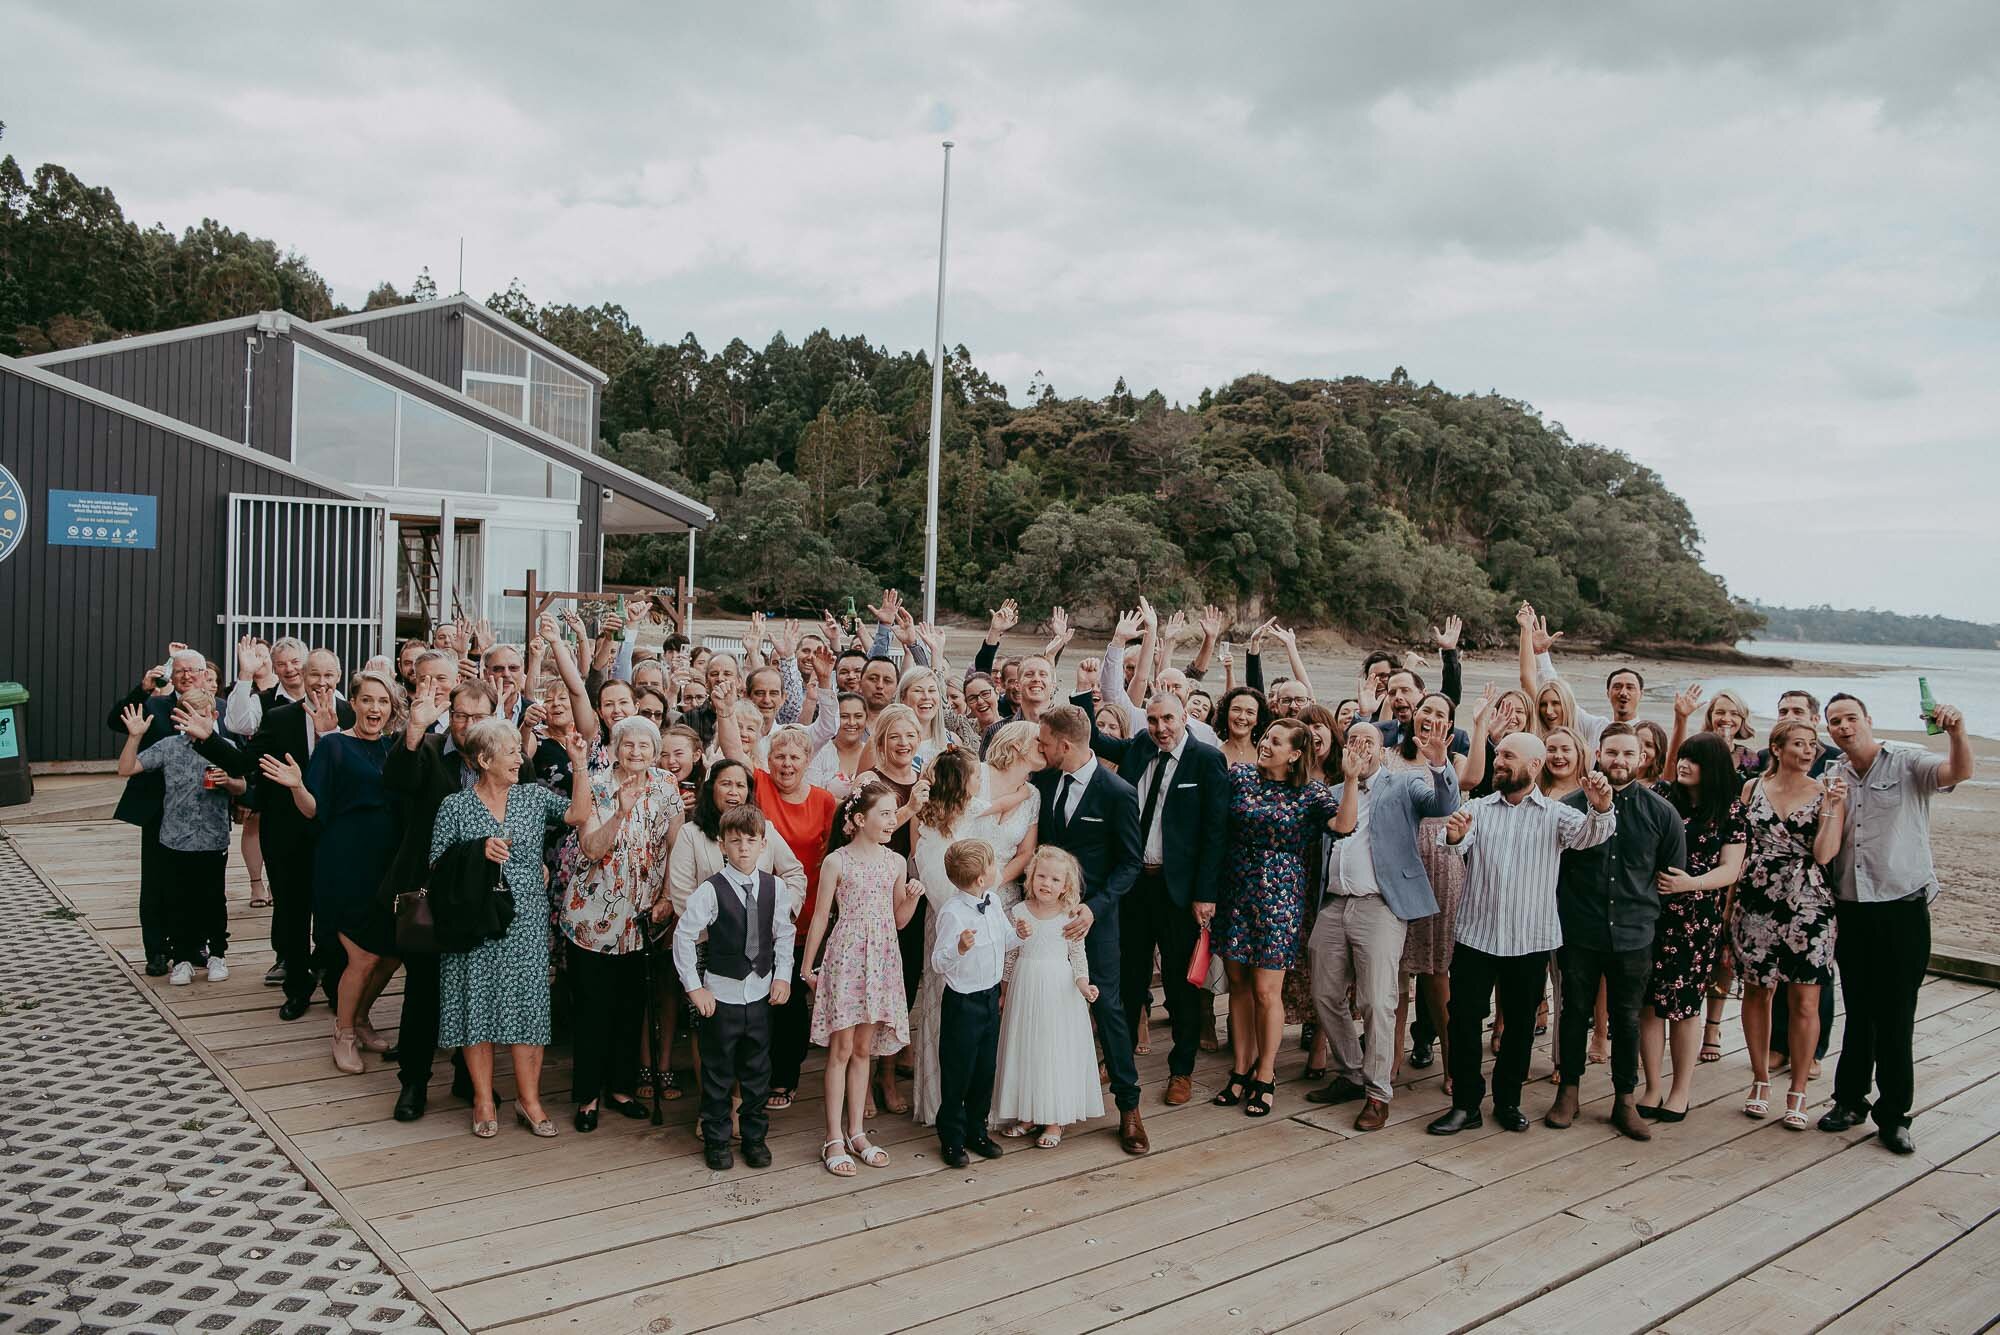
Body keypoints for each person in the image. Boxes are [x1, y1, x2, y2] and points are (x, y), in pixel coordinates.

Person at [1427, 734, 1615, 1136]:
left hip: (1530, 939)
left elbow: (1590, 835)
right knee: (1463, 1020)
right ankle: (1465, 1105)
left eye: (1508, 757)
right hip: (1476, 936)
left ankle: (1508, 1101)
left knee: (1519, 1024)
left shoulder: (1554, 813)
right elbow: (1453, 846)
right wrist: (1455, 836)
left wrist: (1601, 808)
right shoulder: (1476, 807)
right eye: (1499, 755)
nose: (1499, 762)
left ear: (1534, 766)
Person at [1817, 692, 1972, 1155]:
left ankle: (1894, 1115)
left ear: (1867, 719)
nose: (1842, 727)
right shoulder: (1834, 774)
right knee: (1858, 1008)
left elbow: (1957, 772)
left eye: (1849, 718)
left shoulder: (1906, 762)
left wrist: (1957, 732)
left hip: (1902, 907)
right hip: (1852, 906)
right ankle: (1849, 1101)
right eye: (1834, 722)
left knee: (1897, 1013)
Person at [429, 718, 594, 1138]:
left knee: (528, 1009)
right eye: (510, 752)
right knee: (476, 1004)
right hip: (474, 919)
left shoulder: (533, 797)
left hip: (525, 920)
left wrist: (579, 764)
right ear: (484, 759)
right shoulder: (455, 806)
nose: (520, 758)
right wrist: (477, 851)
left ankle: (529, 1099)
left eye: (518, 752)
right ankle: (484, 1099)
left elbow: (578, 813)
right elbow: (436, 867)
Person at [1305, 718, 1459, 1132]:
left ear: (1382, 749)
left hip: (1380, 905)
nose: (1359, 745)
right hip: (1334, 904)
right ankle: (1352, 1072)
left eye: (1367, 740)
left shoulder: (1403, 785)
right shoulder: (1334, 793)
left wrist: (1441, 764)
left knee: (1377, 1001)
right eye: (1352, 739)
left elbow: (1443, 807)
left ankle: (1377, 1094)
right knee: (1323, 993)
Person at [1084, 688, 1229, 1107]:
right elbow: (1092, 737)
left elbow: (1214, 832)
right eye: (1153, 720)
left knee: (1181, 986)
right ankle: (1118, 1054)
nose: (1160, 729)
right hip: (1133, 885)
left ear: (1185, 716)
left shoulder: (1206, 759)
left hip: (1179, 890)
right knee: (1128, 977)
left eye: (1168, 719)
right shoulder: (1139, 748)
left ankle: (1181, 1069)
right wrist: (1084, 694)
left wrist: (1205, 894)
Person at [1546, 725, 1688, 1141]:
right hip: (1580, 930)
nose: (1619, 761)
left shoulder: (1661, 813)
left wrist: (1644, 916)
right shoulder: (1571, 807)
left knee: (1627, 1020)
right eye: (1612, 753)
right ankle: (1568, 1092)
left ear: (1642, 757)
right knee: (1574, 1013)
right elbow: (1555, 871)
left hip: (1633, 934)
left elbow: (1668, 875)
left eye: (1629, 753)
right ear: (1597, 754)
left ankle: (1625, 1100)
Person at [261, 671, 405, 1074]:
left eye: (383, 702)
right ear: (353, 703)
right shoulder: (334, 747)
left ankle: (360, 1018)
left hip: (386, 866)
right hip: (344, 863)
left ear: (391, 709)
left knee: (392, 954)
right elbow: (313, 808)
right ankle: (341, 1033)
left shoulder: (396, 749)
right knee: (362, 956)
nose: (375, 708)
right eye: (367, 700)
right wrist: (295, 785)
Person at [1029, 704, 1149, 1155]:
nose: (1041, 750)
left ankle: (1129, 1108)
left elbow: (1130, 862)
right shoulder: (1045, 780)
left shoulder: (1117, 791)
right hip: (1043, 919)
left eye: (1045, 743)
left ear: (1065, 744)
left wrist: (1094, 909)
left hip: (1092, 922)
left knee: (1109, 1010)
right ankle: (1042, 1102)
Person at [1212, 717, 1342, 1119]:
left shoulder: (1312, 793)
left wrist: (1351, 780)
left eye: (1277, 741)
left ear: (1296, 753)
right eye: (1266, 737)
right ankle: (1239, 1068)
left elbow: (1344, 826)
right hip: (1235, 892)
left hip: (1280, 898)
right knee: (1238, 985)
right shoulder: (1240, 777)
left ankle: (1265, 1073)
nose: (1266, 744)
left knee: (1268, 990)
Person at [801, 782, 923, 1178]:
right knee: (840, 1049)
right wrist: (808, 966)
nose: (892, 821)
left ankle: (857, 1131)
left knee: (863, 1049)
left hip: (882, 960)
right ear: (858, 820)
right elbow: (821, 917)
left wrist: (912, 898)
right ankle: (833, 1136)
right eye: (885, 814)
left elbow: (899, 921)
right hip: (847, 958)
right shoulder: (838, 861)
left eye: (894, 813)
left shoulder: (896, 862)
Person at [566, 715, 678, 1132]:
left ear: (655, 750)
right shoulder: (595, 785)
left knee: (631, 1007)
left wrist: (667, 896)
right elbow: (591, 848)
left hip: (642, 918)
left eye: (644, 746)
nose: (636, 752)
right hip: (592, 919)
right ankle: (588, 1096)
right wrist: (620, 814)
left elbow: (675, 846)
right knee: (594, 1008)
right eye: (627, 744)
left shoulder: (666, 786)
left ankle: (621, 1088)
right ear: (615, 747)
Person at [1732, 717, 1843, 1130]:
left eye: (1813, 744)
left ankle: (1798, 1090)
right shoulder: (1751, 788)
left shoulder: (1825, 793)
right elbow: (1740, 849)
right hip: (1756, 897)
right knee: (1758, 991)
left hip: (1809, 901)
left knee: (1805, 1000)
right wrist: (1730, 909)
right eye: (1799, 743)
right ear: (1777, 749)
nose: (1809, 750)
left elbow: (1826, 854)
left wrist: (1832, 808)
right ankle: (1760, 1079)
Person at [910, 747, 1029, 1125]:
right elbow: (938, 887)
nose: (982, 780)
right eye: (976, 776)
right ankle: (942, 1108)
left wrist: (1025, 794)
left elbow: (1000, 802)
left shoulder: (974, 806)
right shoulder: (930, 832)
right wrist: (967, 913)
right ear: (961, 786)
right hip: (951, 922)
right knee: (947, 1019)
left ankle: (975, 1114)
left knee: (979, 1027)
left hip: (981, 910)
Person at [674, 804, 796, 1171]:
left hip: (758, 996)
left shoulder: (775, 887)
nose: (743, 847)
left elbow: (785, 934)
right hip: (721, 999)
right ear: (723, 845)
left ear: (763, 844)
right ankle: (716, 1138)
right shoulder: (711, 890)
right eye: (735, 840)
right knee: (717, 1073)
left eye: (751, 840)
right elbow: (683, 937)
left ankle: (755, 1138)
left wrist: (782, 975)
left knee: (758, 1073)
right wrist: (695, 988)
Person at [1637, 731, 1745, 1123]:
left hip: (1696, 921)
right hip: (1652, 913)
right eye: (1682, 757)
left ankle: (1680, 1089)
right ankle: (1651, 1085)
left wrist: (1691, 884)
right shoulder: (1664, 796)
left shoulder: (1729, 810)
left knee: (1683, 1008)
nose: (1684, 764)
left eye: (1694, 760)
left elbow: (1731, 869)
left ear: (1712, 767)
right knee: (1647, 1005)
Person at [116, 690, 243, 985]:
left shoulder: (225, 747)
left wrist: (230, 782)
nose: (193, 721)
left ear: (214, 716)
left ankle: (217, 955)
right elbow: (126, 768)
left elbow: (243, 785)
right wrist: (134, 736)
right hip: (174, 837)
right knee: (178, 900)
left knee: (213, 899)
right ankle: (182, 958)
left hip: (212, 837)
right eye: (186, 715)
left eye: (200, 715)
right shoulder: (169, 746)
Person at [109, 647, 213, 976]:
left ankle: (195, 943)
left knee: (199, 883)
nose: (185, 676)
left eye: (192, 670)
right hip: (157, 809)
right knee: (156, 883)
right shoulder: (154, 705)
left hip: (203, 812)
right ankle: (156, 949)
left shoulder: (215, 709)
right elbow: (116, 720)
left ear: (203, 674)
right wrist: (142, 688)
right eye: (179, 670)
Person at [928, 838, 1032, 1168]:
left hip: (990, 998)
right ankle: (952, 1137)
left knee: (985, 1070)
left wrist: (1020, 934)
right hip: (963, 1003)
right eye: (993, 864)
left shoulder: (993, 901)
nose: (998, 867)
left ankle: (978, 1130)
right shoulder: (952, 914)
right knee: (958, 1072)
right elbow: (937, 963)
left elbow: (1003, 939)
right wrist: (959, 948)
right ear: (980, 878)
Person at [994, 846, 1105, 1148]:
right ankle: (1028, 1114)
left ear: (1066, 886)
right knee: (1027, 1049)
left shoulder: (1069, 916)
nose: (1047, 883)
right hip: (1024, 989)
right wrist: (1004, 992)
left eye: (1055, 879)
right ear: (1030, 877)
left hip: (1058, 991)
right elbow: (1010, 956)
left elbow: (1078, 956)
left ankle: (1054, 1120)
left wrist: (1084, 984)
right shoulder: (1017, 912)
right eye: (1041, 876)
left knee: (1051, 1051)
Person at [1214, 686, 1268, 769]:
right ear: (1226, 713)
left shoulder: (1266, 754)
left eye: (1250, 712)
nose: (1242, 717)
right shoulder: (1213, 754)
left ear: (1258, 719)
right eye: (1236, 710)